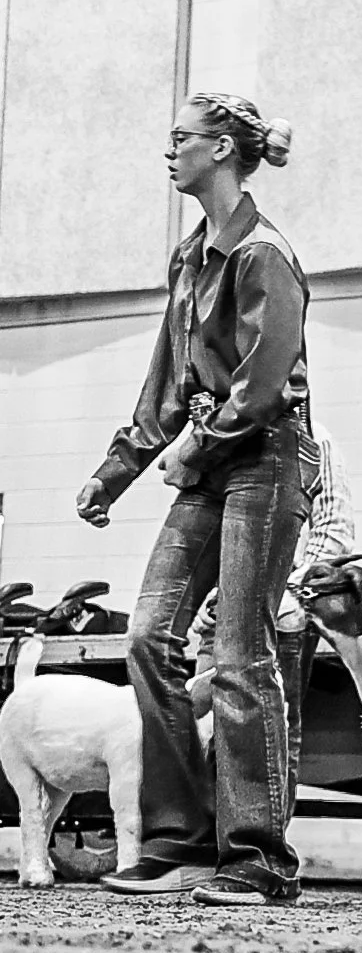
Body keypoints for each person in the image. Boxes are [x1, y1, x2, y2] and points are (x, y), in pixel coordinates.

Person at [77, 92, 316, 907]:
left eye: (179, 138)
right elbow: (168, 383)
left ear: (220, 149)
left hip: (266, 462)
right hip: (211, 465)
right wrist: (118, 470)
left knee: (243, 652)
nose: (168, 150)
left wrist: (197, 447)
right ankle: (178, 841)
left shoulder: (264, 254)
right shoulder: (191, 256)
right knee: (149, 636)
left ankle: (259, 858)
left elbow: (268, 384)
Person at [189, 420, 356, 824]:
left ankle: (263, 848)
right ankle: (204, 847)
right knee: (201, 730)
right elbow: (201, 533)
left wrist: (282, 589)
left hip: (279, 618)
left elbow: (335, 530)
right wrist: (203, 600)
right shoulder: (215, 436)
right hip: (221, 615)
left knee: (275, 733)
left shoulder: (315, 438)